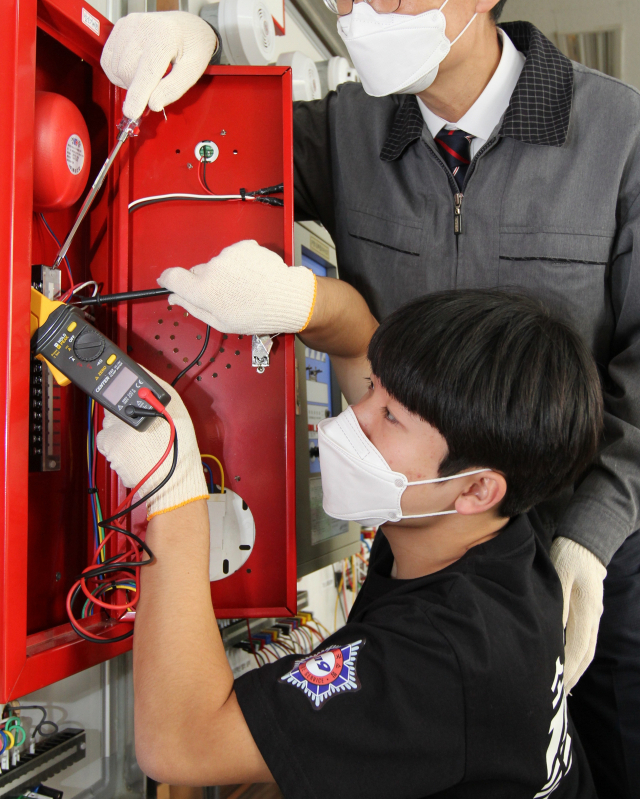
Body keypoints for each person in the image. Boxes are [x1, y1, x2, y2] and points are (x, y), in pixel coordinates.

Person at [101, 0, 640, 792]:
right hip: (423, 534)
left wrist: (589, 536)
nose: (358, 17)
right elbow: (226, 159)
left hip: (586, 548)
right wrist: (201, 54)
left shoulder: (619, 137)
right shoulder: (349, 128)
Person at [98, 288, 602, 798]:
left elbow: (178, 746)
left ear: (476, 488)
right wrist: (302, 301)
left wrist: (174, 493)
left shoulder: (440, 657)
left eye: (390, 417)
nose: (350, 419)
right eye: (373, 389)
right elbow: (360, 340)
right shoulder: (487, 531)